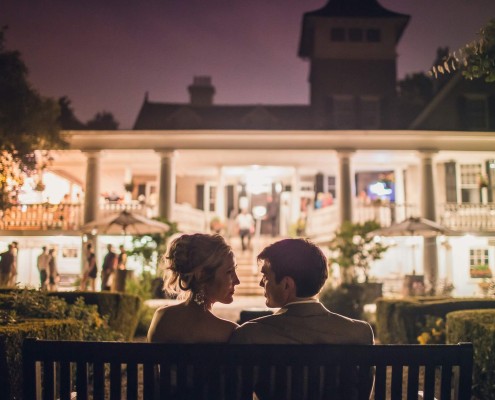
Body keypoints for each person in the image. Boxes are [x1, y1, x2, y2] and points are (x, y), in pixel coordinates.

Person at [230, 238, 374, 344]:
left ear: (287, 285)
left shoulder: (251, 335)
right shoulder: (360, 333)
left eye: (265, 276)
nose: (261, 283)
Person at [147, 233, 240, 343]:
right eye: (229, 272)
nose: (237, 281)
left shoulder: (162, 318)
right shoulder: (231, 332)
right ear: (201, 275)